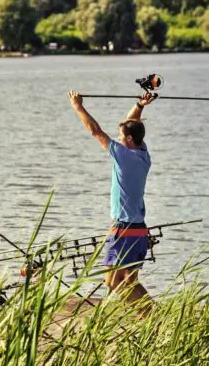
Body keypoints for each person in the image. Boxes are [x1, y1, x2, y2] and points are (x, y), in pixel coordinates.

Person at [68, 89, 156, 313]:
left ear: (127, 140)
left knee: (112, 281)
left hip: (124, 230)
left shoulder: (122, 155)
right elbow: (132, 124)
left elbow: (95, 131)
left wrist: (78, 107)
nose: (117, 139)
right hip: (138, 231)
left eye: (120, 137)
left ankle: (153, 315)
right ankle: (151, 319)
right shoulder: (143, 154)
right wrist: (140, 105)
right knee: (129, 282)